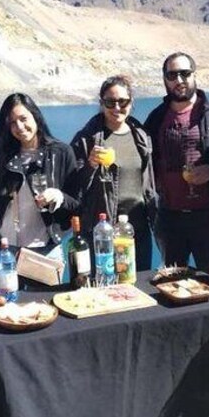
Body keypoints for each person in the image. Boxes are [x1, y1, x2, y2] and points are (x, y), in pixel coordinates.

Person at [144, 52, 209, 272]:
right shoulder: (156, 118)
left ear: (195, 75)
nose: (179, 80)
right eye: (172, 75)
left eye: (185, 73)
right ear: (164, 79)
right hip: (169, 217)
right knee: (172, 280)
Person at [70, 75, 157, 270]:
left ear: (131, 102)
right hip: (101, 230)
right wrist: (90, 165)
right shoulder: (85, 139)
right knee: (103, 289)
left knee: (138, 288)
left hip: (137, 229)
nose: (117, 108)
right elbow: (72, 186)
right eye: (110, 102)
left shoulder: (141, 136)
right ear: (101, 104)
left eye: (122, 102)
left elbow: (149, 183)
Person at [0, 93, 78, 278]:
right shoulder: (3, 156)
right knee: (9, 305)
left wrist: (58, 197)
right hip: (7, 250)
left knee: (47, 306)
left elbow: (78, 202)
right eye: (12, 123)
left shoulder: (61, 152)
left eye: (23, 118)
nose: (19, 127)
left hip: (46, 250)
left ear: (35, 116)